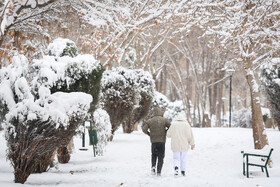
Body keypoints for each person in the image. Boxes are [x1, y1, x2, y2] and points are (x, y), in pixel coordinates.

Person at [142, 107, 171, 176]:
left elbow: (144, 129)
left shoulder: (150, 121)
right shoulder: (164, 120)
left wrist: (148, 133)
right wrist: (165, 131)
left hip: (154, 141)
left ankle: (153, 167)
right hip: (162, 141)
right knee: (161, 156)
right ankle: (159, 171)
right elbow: (171, 126)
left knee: (154, 155)